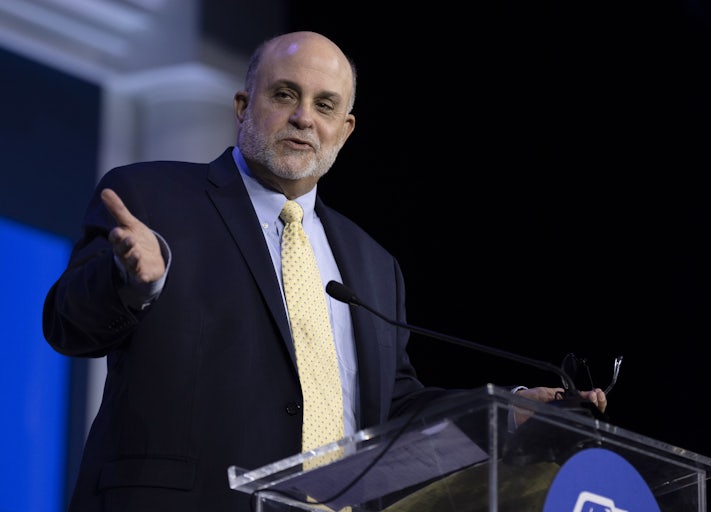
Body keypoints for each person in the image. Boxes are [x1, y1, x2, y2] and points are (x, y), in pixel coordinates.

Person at [42, 30, 607, 511]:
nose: (303, 117)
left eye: (325, 104)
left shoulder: (373, 264)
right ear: (244, 105)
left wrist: (508, 412)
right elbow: (67, 325)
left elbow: (393, 413)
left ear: (347, 128)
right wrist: (132, 284)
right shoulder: (151, 195)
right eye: (285, 94)